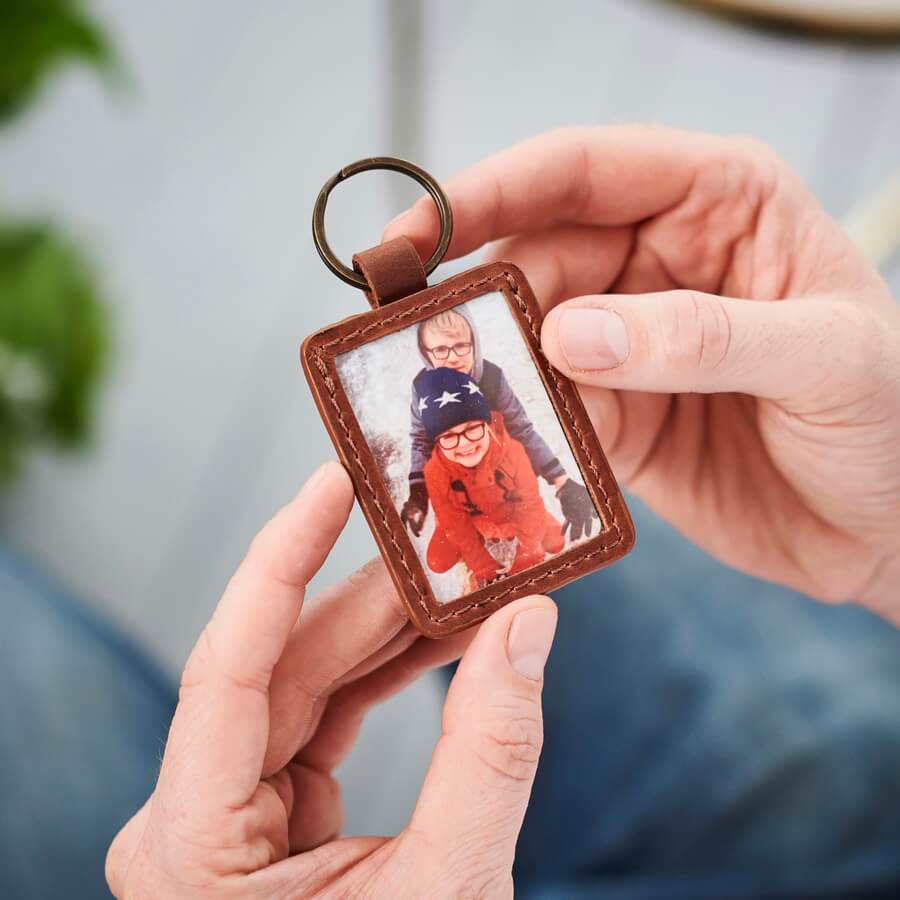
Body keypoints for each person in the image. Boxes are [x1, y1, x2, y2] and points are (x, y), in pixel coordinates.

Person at [104, 125, 900, 898]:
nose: (451, 359)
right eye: (439, 352)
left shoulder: (504, 392)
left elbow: (528, 441)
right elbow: (427, 484)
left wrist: (549, 485)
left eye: (458, 349)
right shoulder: (430, 429)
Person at [403, 305, 597, 542]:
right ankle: (466, 526)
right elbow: (421, 440)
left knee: (520, 498)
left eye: (462, 346)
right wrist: (419, 493)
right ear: (425, 352)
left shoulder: (493, 379)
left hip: (497, 467)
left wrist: (561, 481)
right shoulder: (421, 387)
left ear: (474, 343)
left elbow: (522, 429)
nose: (453, 357)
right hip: (454, 470)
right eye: (441, 350)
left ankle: (517, 517)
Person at [418, 366, 565, 588]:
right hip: (468, 518)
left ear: (487, 424)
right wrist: (482, 564)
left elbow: (529, 502)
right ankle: (475, 542)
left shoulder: (513, 451)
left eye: (472, 428)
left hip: (511, 511)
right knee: (438, 561)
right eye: (448, 436)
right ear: (436, 441)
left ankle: (535, 529)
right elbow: (454, 523)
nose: (465, 443)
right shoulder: (434, 471)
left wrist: (527, 550)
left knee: (554, 543)